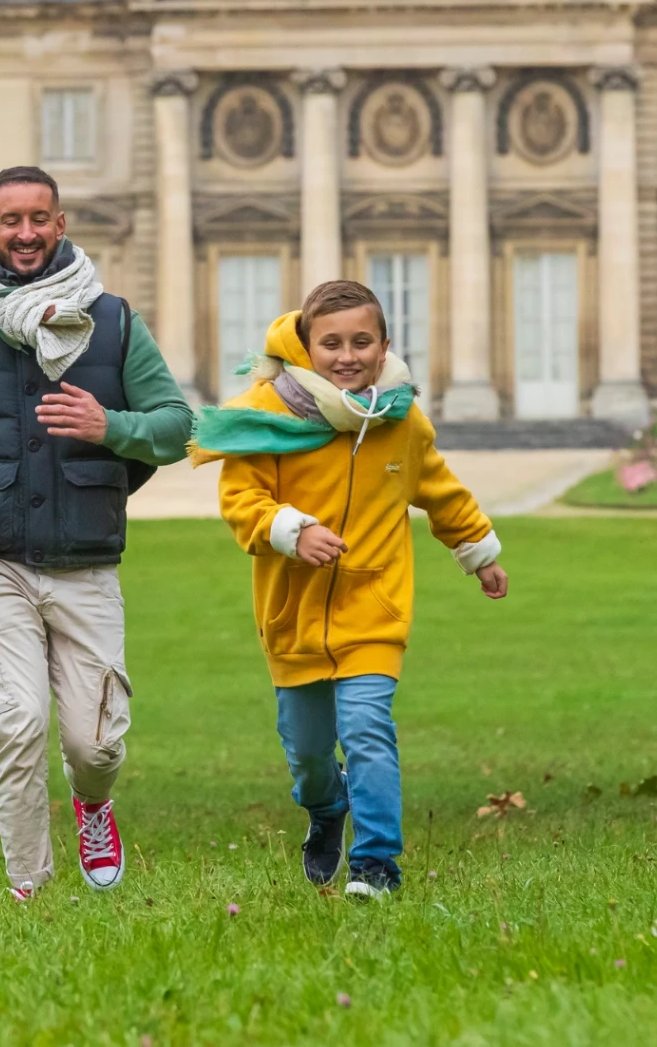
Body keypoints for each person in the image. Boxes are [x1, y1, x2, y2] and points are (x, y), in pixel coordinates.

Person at [0, 165, 192, 902]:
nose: (26, 234)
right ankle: (30, 887)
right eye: (10, 221)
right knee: (15, 721)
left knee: (95, 744)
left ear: (61, 225)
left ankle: (93, 804)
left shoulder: (113, 321)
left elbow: (178, 428)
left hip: (86, 563)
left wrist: (109, 426)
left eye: (39, 219)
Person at [191, 280, 509, 898]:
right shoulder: (268, 414)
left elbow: (439, 490)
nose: (347, 355)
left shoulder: (399, 417)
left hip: (375, 607)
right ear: (307, 348)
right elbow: (241, 501)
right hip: (293, 614)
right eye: (331, 343)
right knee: (309, 759)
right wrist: (291, 530)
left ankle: (376, 865)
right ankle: (325, 807)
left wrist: (478, 552)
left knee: (367, 730)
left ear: (384, 345)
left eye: (362, 342)